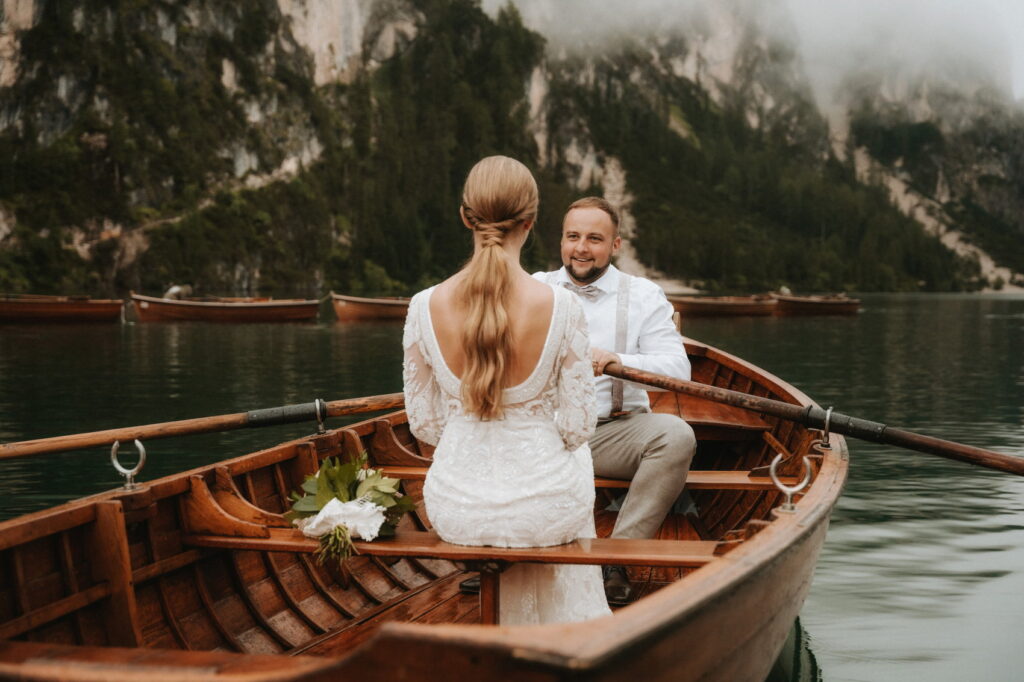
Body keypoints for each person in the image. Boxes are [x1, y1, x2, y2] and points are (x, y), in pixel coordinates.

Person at [402, 156, 611, 625]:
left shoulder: (422, 306)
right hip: (544, 508)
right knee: (575, 460)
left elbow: (425, 425)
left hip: (456, 508)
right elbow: (578, 427)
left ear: (464, 217)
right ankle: (564, 638)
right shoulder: (563, 306)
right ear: (531, 222)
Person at [534, 196, 697, 605]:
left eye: (594, 238)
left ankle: (616, 559)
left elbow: (679, 369)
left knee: (677, 436)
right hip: (543, 432)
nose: (581, 248)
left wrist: (617, 360)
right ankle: (501, 554)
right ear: (561, 241)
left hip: (614, 430)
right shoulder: (535, 289)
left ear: (616, 245)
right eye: (573, 237)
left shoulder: (643, 294)